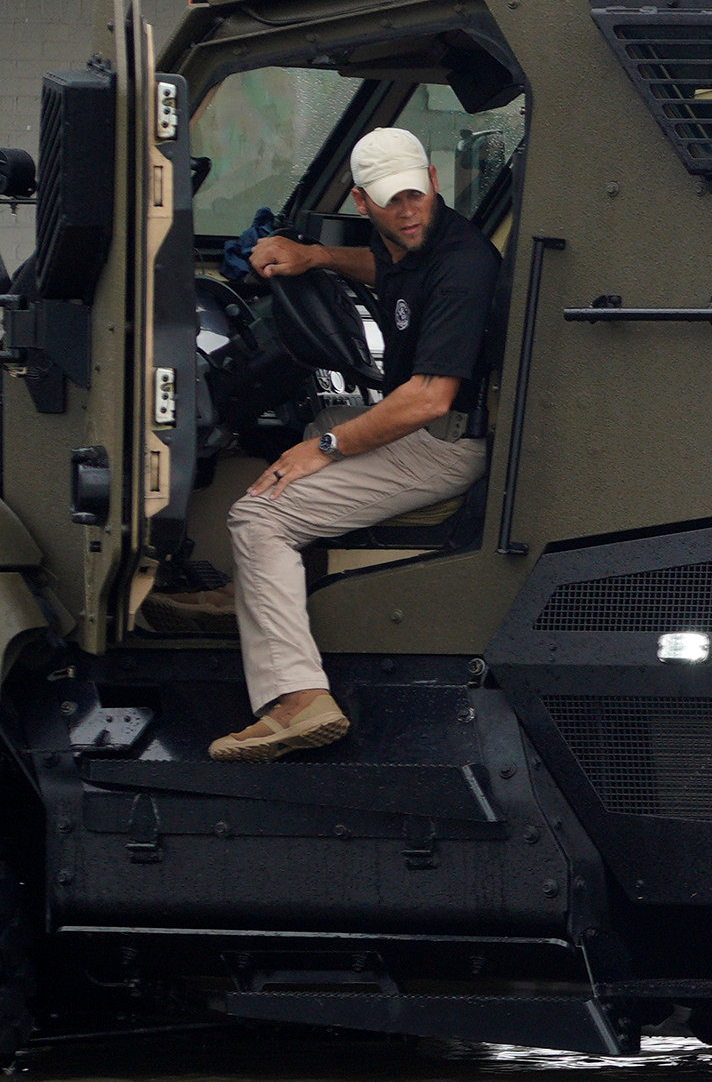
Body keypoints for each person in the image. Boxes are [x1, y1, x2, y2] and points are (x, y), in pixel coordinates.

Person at [154, 127, 504, 760]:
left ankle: (297, 699)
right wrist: (314, 257)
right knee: (309, 425)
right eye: (388, 201)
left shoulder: (463, 263)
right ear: (361, 201)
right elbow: (387, 267)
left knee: (259, 515)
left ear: (432, 179)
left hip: (443, 440)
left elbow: (427, 398)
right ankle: (256, 597)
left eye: (414, 194)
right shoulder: (419, 240)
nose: (406, 211)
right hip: (431, 426)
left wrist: (328, 450)